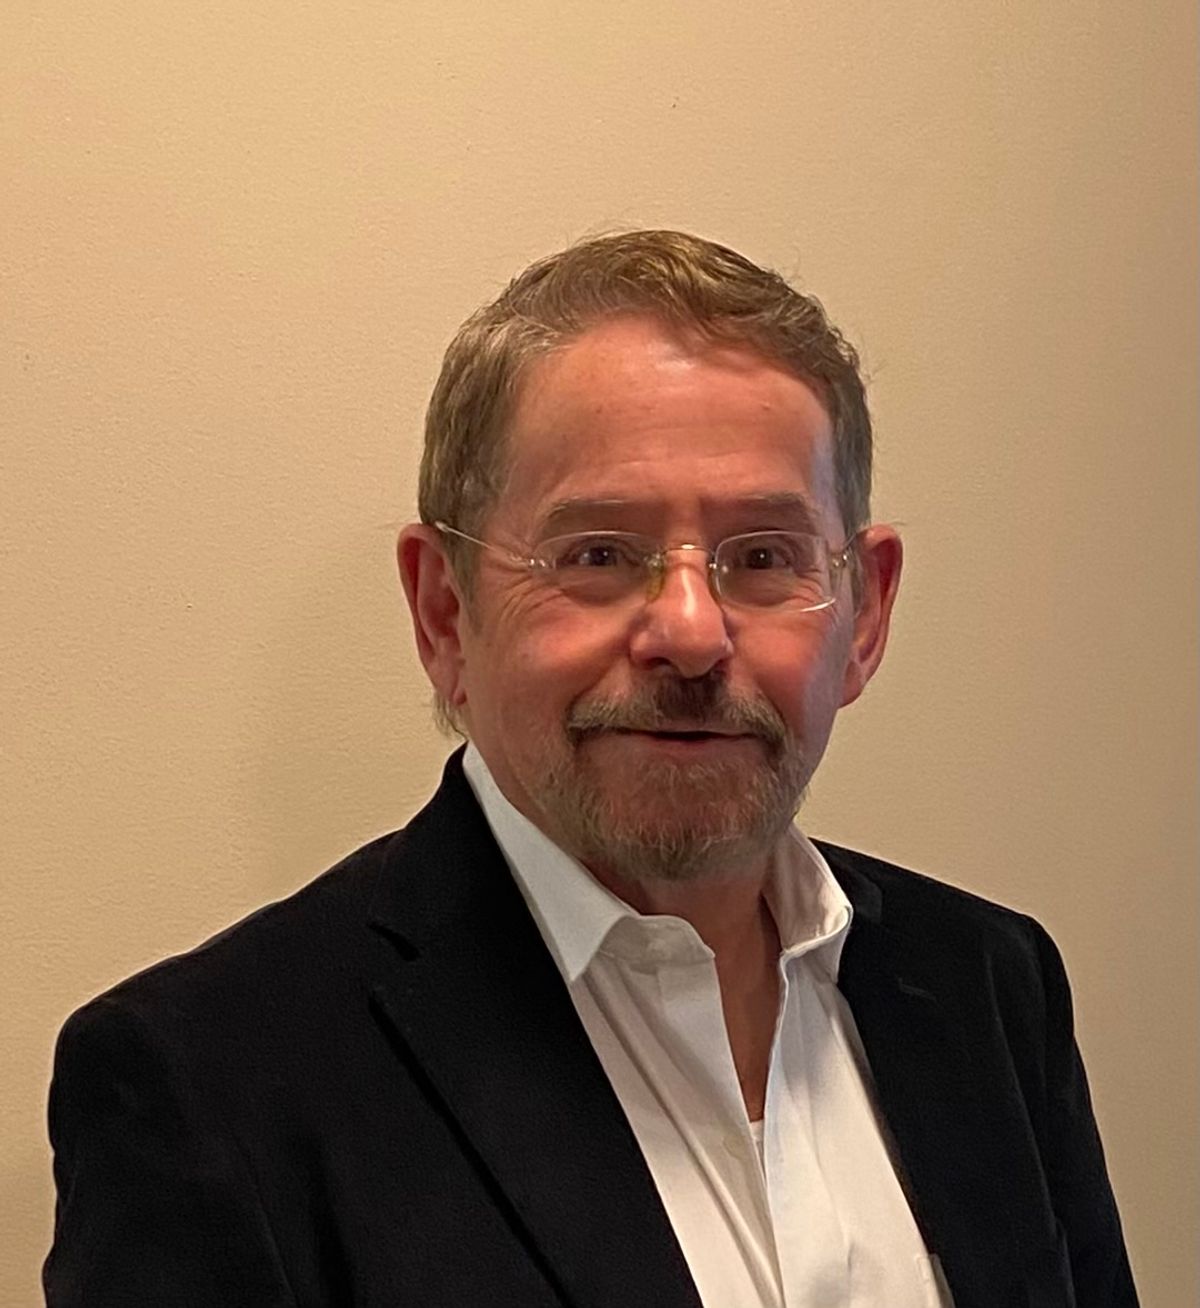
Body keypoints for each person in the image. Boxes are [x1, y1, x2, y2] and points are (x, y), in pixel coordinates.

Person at [44, 230, 1137, 1307]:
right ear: (443, 613)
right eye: (600, 556)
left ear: (865, 616)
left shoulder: (989, 988)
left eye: (763, 556)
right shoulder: (207, 1088)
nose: (693, 633)